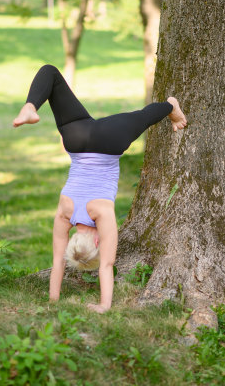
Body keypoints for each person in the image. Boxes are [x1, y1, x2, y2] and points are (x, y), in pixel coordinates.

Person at [13, 64, 187, 313]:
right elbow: (57, 262)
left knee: (145, 115)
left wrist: (104, 305)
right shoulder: (65, 212)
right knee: (51, 72)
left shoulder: (102, 215)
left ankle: (171, 106)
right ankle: (30, 107)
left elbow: (107, 265)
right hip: (77, 136)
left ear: (96, 240)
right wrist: (52, 300)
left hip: (109, 141)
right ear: (73, 239)